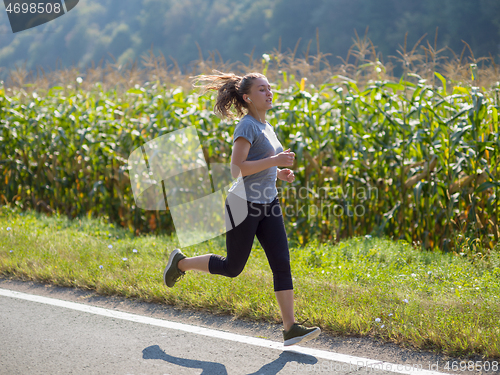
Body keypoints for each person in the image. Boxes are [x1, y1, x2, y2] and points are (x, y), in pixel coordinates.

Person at [163, 71, 321, 346]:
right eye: (262, 89)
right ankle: (180, 263)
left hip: (268, 202)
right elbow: (237, 169)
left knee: (281, 264)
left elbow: (261, 165)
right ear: (247, 97)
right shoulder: (246, 126)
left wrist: (278, 173)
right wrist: (274, 161)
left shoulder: (266, 126)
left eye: (269, 88)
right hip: (243, 203)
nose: (269, 93)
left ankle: (290, 328)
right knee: (233, 267)